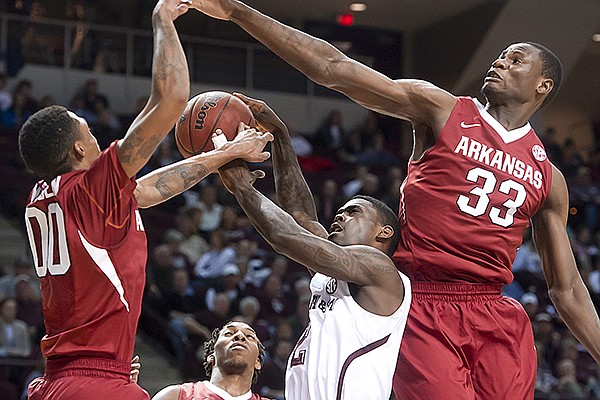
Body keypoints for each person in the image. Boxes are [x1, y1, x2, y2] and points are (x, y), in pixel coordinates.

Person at [193, 1, 600, 398]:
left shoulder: (550, 177)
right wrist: (237, 11)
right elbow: (336, 70)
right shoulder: (441, 110)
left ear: (542, 85)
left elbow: (567, 290)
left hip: (497, 312)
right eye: (500, 57)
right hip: (425, 301)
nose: (499, 63)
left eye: (515, 60)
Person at [17, 1, 273, 398]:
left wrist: (224, 154)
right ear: (80, 152)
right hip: (93, 381)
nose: (98, 139)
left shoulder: (49, 197)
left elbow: (150, 189)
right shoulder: (91, 192)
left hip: (58, 379)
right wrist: (163, 19)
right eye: (88, 131)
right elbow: (171, 100)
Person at [216, 94, 411, 400]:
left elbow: (285, 237)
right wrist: (280, 136)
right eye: (342, 210)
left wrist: (243, 189)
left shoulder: (380, 270)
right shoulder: (338, 272)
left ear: (383, 233)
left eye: (354, 212)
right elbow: (300, 217)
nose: (341, 215)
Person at [152, 320, 270, 400]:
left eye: (249, 336)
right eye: (228, 333)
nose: (240, 336)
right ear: (211, 356)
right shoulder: (175, 396)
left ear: (257, 362)